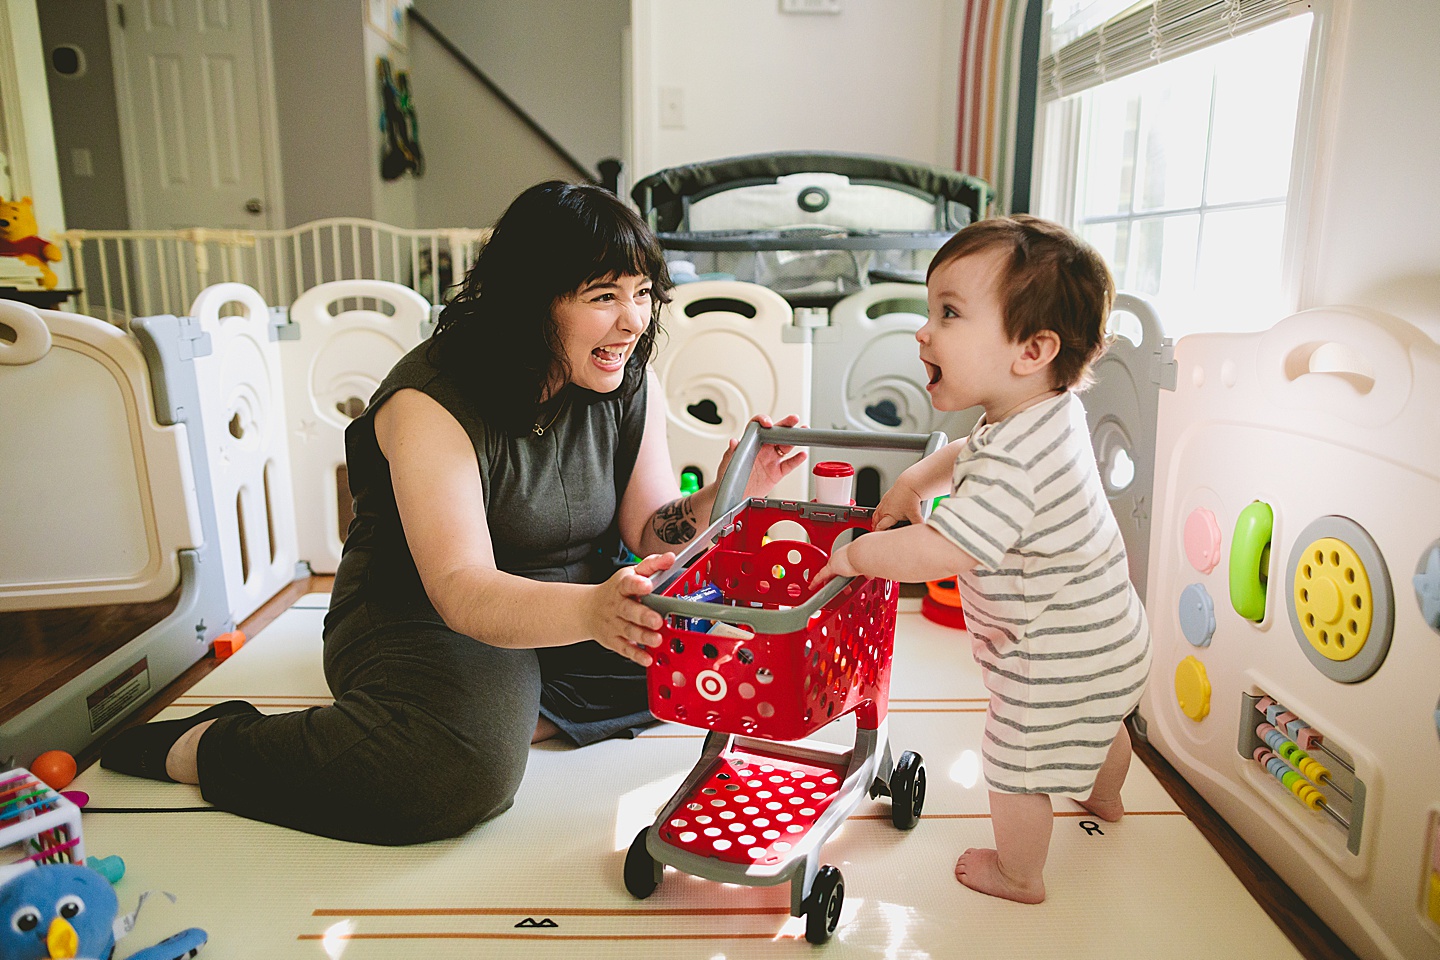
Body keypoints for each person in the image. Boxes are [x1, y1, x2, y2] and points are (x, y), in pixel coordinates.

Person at [101, 181, 806, 845]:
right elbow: (462, 587)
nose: (632, 320)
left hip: (572, 608)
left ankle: (504, 709)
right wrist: (593, 614)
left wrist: (726, 492)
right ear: (534, 301)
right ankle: (210, 745)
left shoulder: (622, 375)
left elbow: (650, 529)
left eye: (643, 293)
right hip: (427, 616)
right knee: (462, 774)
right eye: (603, 296)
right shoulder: (430, 400)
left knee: (723, 656)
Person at [810, 215, 1151, 904]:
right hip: (1111, 639)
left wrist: (860, 556)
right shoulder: (1042, 413)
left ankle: (1019, 873)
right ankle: (1106, 796)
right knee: (1101, 717)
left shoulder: (1014, 462)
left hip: (1047, 657)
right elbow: (970, 453)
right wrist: (915, 481)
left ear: (1032, 349)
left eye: (950, 313)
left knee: (1016, 763)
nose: (924, 330)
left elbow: (945, 546)